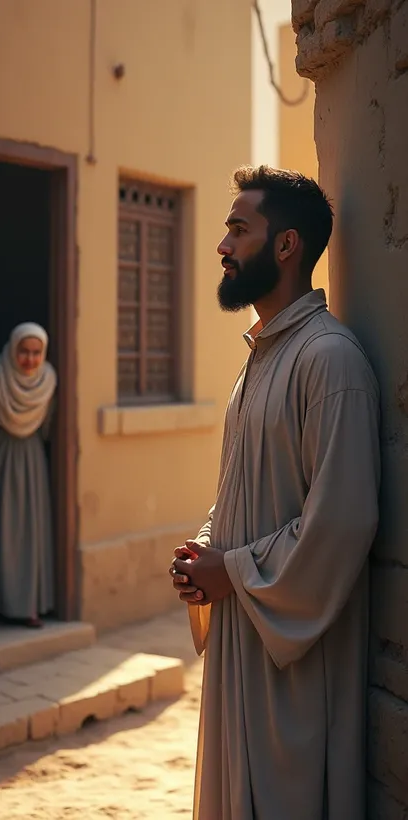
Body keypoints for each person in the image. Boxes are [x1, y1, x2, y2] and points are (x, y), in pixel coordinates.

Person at [169, 166, 380, 820]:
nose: (223, 246)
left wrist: (230, 572)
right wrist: (205, 552)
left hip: (294, 669)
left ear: (286, 246)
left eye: (238, 229)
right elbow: (241, 488)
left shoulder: (329, 360)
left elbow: (340, 523)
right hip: (243, 642)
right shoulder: (261, 358)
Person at [0, 322, 57, 629]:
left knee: (30, 531)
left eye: (36, 353)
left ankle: (29, 605)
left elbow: (49, 425)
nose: (29, 360)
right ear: (13, 349)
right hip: (0, 457)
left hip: (31, 462)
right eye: (24, 352)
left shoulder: (48, 380)